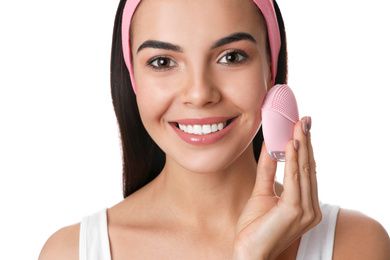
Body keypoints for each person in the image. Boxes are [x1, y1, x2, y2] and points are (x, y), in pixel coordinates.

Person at [39, 0, 390, 259]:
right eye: (162, 62)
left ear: (272, 68)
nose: (199, 94)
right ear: (132, 78)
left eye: (231, 57)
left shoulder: (355, 244)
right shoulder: (71, 252)